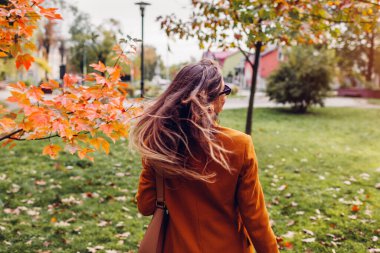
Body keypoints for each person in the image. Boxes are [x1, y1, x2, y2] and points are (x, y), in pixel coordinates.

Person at [129, 59, 279, 253]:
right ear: (214, 99)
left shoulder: (159, 143)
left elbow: (146, 205)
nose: (225, 95)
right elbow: (255, 218)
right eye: (224, 90)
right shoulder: (239, 146)